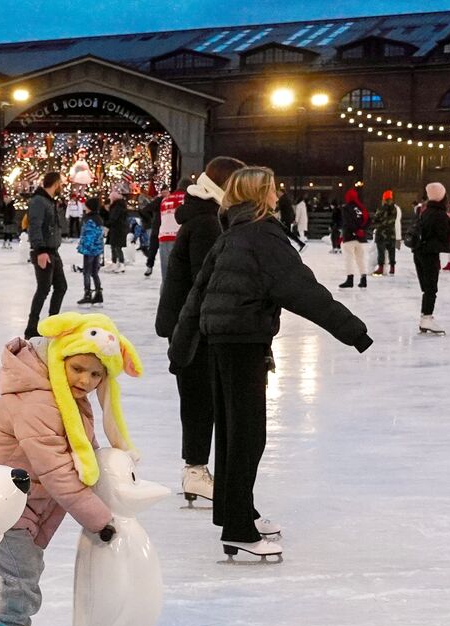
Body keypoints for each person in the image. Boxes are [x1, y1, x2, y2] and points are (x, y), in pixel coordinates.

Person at [169, 166, 371, 561]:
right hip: (243, 341)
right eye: (273, 189)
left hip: (220, 342)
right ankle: (239, 528)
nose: (278, 194)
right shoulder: (263, 234)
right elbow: (302, 289)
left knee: (231, 433)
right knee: (247, 437)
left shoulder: (234, 233)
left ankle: (235, 513)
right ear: (262, 195)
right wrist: (354, 331)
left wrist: (181, 346)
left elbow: (197, 294)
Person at [0, 314, 137, 626]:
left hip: (21, 497)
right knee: (23, 579)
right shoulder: (38, 400)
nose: (87, 382)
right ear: (59, 357)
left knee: (22, 572)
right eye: (78, 369)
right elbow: (59, 470)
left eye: (96, 374)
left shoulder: (64, 395)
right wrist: (99, 519)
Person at [154, 155, 245, 506]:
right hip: (192, 327)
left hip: (190, 324)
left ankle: (197, 470)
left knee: (201, 398)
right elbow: (204, 282)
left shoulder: (206, 217)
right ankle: (195, 471)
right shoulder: (207, 223)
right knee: (199, 399)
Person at [24, 171, 67, 337]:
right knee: (43, 289)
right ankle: (31, 328)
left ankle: (52, 323)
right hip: (44, 251)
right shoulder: (38, 201)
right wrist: (40, 251)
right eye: (61, 184)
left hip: (53, 251)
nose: (61, 187)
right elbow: (34, 225)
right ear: (56, 184)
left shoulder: (49, 201)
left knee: (61, 286)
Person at [412, 181, 450, 335]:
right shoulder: (440, 214)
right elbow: (442, 236)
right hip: (429, 254)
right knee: (431, 289)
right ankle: (427, 318)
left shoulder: (425, 211)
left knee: (426, 288)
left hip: (419, 252)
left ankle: (424, 317)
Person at [156, 181, 186, 287]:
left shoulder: (165, 200)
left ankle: (163, 300)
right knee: (180, 275)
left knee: (166, 276)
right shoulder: (185, 199)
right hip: (178, 237)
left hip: (164, 237)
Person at [338, 188, 370, 289]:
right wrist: (361, 230)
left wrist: (355, 230)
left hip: (349, 237)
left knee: (349, 258)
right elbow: (368, 220)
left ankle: (350, 279)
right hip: (361, 238)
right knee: (361, 259)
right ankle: (363, 279)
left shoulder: (346, 208)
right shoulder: (361, 208)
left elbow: (348, 222)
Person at [74, 200, 105, 305]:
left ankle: (87, 293)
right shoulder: (98, 219)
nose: (84, 207)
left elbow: (89, 236)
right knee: (94, 272)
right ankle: (98, 293)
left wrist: (84, 248)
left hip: (90, 250)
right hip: (97, 249)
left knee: (86, 272)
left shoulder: (89, 220)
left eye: (86, 206)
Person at [371, 190, 399, 277]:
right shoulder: (394, 209)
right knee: (391, 251)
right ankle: (392, 268)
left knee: (381, 252)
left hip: (381, 233)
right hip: (391, 233)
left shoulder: (381, 209)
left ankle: (381, 268)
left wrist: (378, 223)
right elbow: (392, 220)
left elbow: (375, 219)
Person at [105, 190, 129, 272]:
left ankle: (121, 264)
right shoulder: (118, 206)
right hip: (117, 229)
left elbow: (114, 218)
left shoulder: (117, 207)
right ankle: (115, 263)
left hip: (118, 229)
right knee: (114, 246)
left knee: (117, 247)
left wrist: (107, 224)